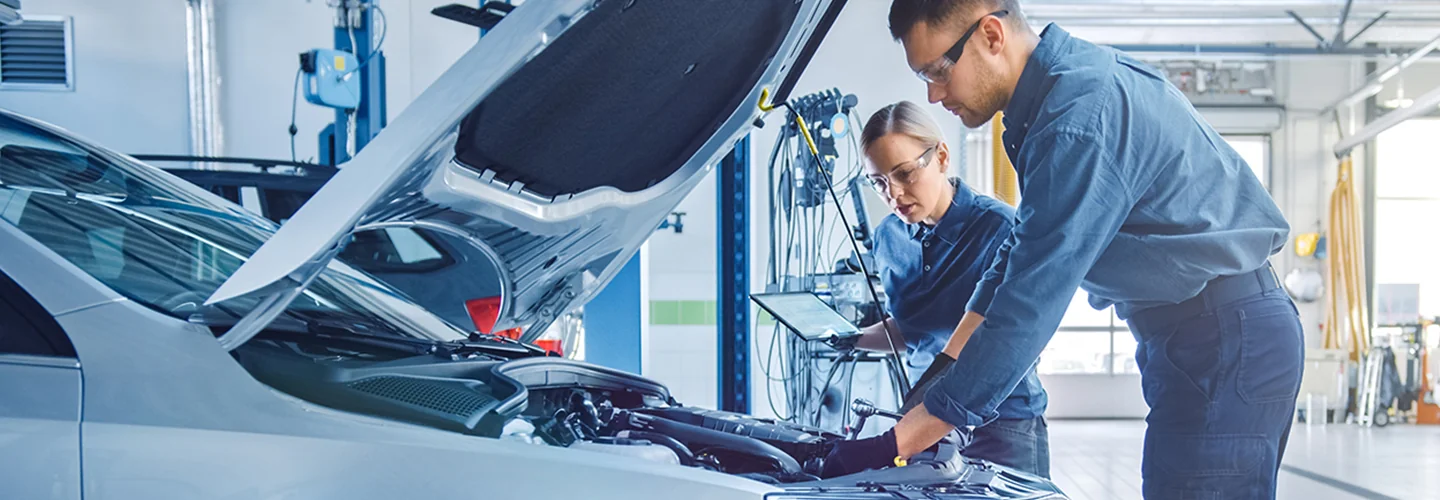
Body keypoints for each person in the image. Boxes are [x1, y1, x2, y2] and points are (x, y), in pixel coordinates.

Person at [823, 1, 1304, 498]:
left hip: (1221, 332)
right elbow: (1016, 255)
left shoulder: (1078, 118)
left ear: (991, 35)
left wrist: (896, 443)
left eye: (939, 69)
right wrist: (947, 366)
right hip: (1198, 333)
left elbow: (1029, 302)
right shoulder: (1054, 103)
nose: (933, 92)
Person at [841, 100, 1048, 478]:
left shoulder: (999, 227)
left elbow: (1011, 335)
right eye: (879, 182)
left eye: (905, 174)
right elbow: (910, 329)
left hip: (1000, 423)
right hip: (924, 419)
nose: (894, 194)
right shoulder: (888, 237)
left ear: (942, 157)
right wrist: (848, 339)